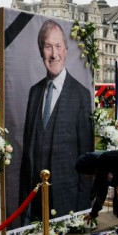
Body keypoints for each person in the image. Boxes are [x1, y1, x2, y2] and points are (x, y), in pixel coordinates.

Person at [20, 19, 93, 223]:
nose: (54, 54)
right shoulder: (34, 92)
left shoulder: (81, 95)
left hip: (66, 200)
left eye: (58, 46)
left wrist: (82, 209)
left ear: (66, 50)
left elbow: (87, 160)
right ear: (40, 51)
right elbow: (27, 156)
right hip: (35, 203)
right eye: (48, 46)